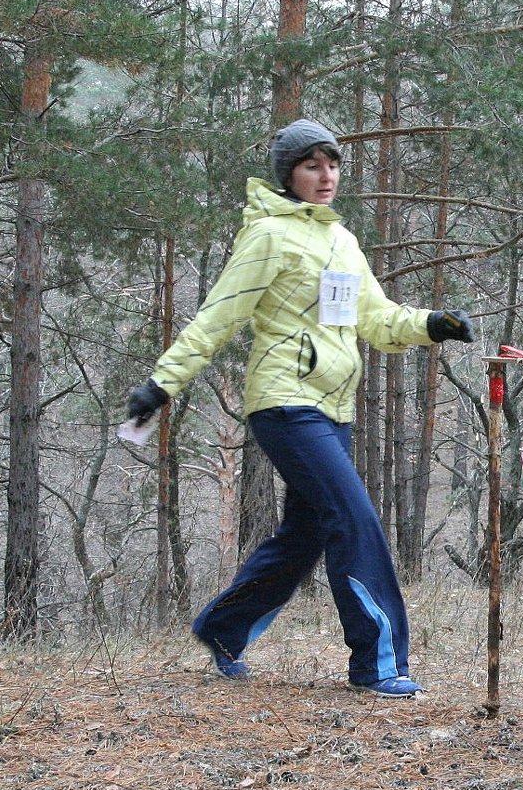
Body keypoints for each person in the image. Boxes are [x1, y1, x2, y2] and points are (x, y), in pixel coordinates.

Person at [126, 118, 476, 698]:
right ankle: (379, 662)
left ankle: (223, 627)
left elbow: (377, 321)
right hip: (286, 404)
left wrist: (431, 324)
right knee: (355, 519)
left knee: (305, 536)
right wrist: (163, 384)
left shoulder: (342, 241)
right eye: (312, 165)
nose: (326, 175)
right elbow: (220, 315)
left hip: (334, 410)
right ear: (288, 173)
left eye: (333, 164)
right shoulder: (268, 236)